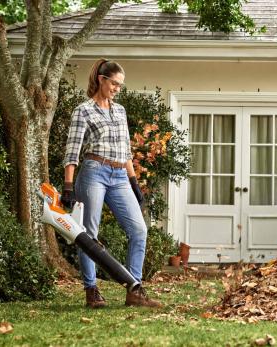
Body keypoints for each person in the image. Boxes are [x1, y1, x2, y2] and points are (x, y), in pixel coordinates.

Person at [61, 58, 161, 309]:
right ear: (101, 80)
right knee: (89, 234)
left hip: (119, 176)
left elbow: (126, 150)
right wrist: (68, 186)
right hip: (94, 171)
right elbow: (72, 151)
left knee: (139, 230)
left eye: (120, 85)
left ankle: (135, 289)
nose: (117, 88)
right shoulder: (83, 110)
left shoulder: (120, 111)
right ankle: (91, 290)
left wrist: (134, 182)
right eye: (114, 83)